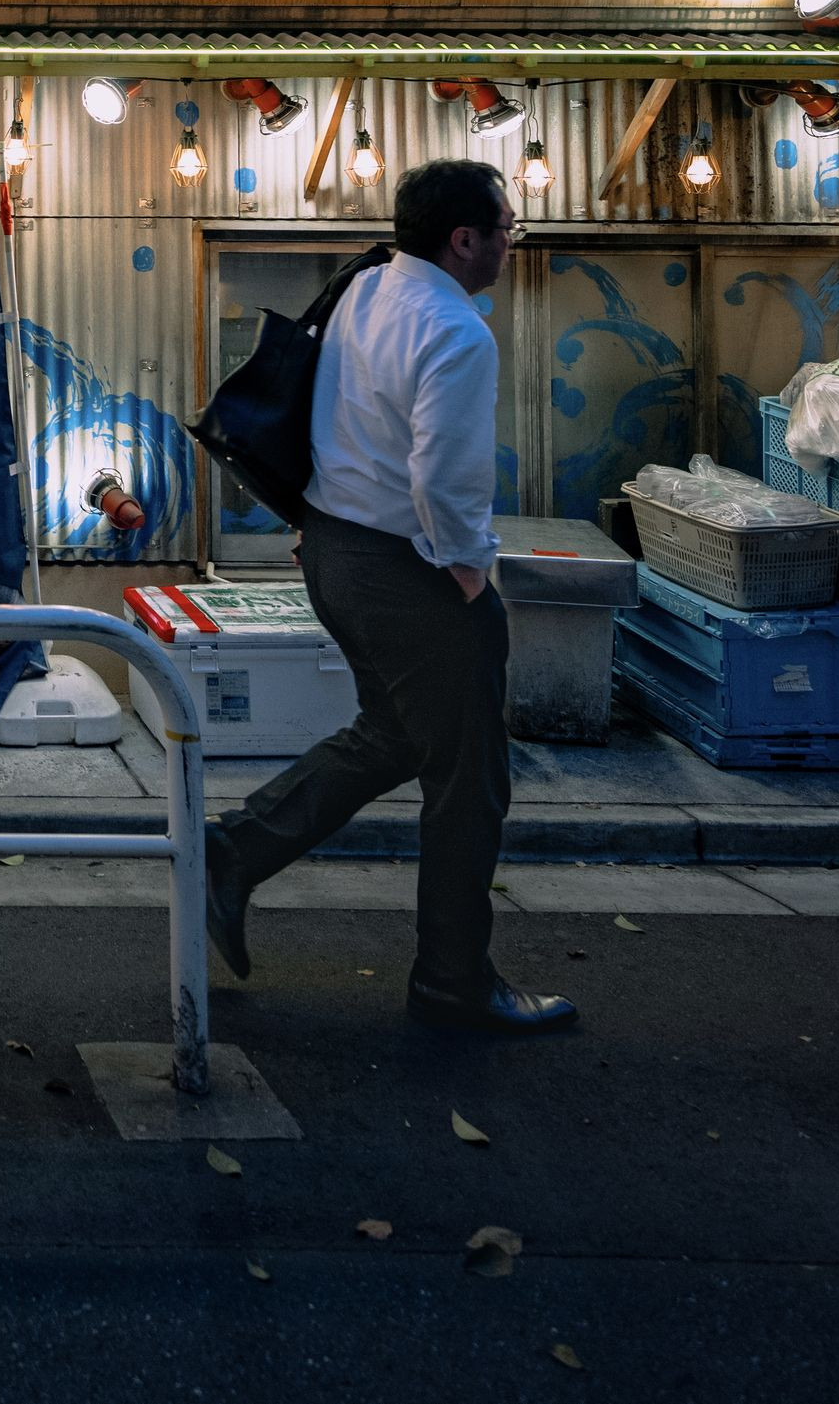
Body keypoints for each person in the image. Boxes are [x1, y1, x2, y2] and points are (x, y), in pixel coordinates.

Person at [200, 158, 574, 1035]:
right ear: (463, 238)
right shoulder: (456, 330)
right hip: (406, 570)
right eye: (506, 229)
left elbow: (328, 409)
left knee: (397, 733)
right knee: (468, 780)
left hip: (331, 549)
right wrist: (469, 571)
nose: (510, 243)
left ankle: (234, 849)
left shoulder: (364, 285)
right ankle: (452, 979)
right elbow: (444, 475)